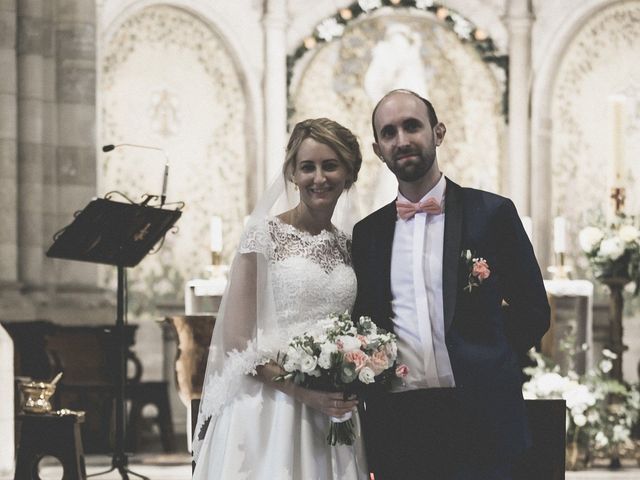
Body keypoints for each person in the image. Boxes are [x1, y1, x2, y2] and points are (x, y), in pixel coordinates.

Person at [352, 89, 550, 479]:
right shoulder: (368, 234)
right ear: (378, 150)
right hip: (399, 419)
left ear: (438, 132)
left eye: (412, 126)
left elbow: (533, 310)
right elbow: (366, 320)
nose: (402, 140)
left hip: (482, 410)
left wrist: (488, 357)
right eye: (389, 132)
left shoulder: (491, 213)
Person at [192, 118, 368, 479]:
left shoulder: (350, 245)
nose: (318, 178)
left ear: (349, 172)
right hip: (267, 409)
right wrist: (303, 394)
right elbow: (237, 343)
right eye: (307, 167)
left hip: (332, 412)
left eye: (330, 165)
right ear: (293, 174)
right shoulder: (263, 235)